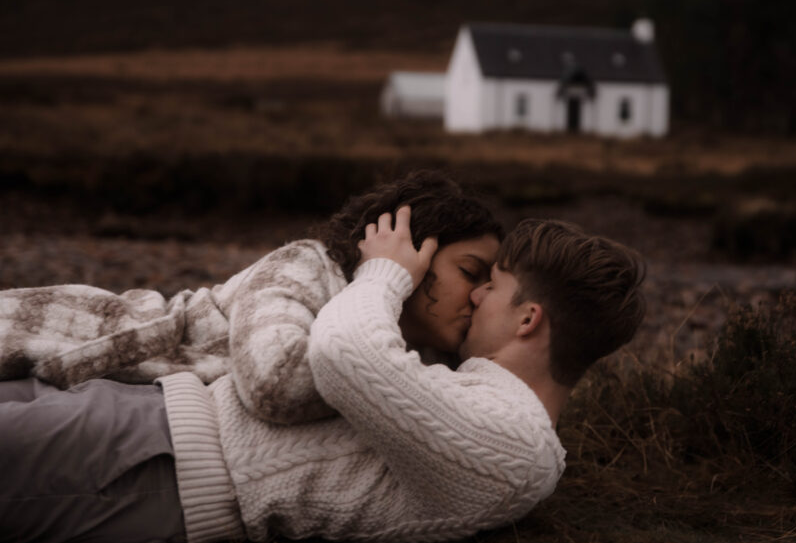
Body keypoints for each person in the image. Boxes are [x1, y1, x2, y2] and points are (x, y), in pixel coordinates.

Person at [0, 208, 646, 543]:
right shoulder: (483, 397)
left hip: (146, 468)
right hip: (148, 422)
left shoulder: (514, 445)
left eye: (491, 287)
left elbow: (344, 355)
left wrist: (386, 270)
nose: (474, 297)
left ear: (528, 318)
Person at [0, 170, 502, 424]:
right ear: (410, 248)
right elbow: (275, 383)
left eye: (490, 284)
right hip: (79, 333)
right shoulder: (307, 266)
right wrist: (385, 276)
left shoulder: (423, 352)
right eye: (469, 271)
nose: (479, 296)